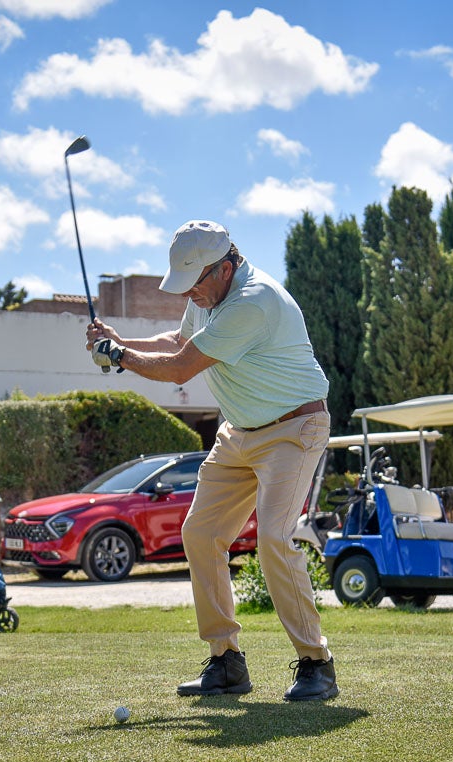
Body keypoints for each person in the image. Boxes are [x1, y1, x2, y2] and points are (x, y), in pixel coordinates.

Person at [86, 219, 338, 702]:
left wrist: (118, 357)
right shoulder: (206, 298)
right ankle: (226, 662)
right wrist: (121, 344)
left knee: (273, 537)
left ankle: (316, 662)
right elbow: (178, 344)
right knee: (200, 534)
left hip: (294, 429)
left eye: (194, 283)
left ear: (225, 267)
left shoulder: (253, 301)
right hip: (239, 432)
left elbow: (182, 367)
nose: (189, 294)